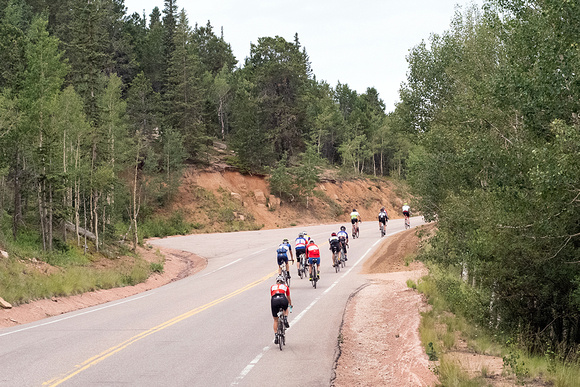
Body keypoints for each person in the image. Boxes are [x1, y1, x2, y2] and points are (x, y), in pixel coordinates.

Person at [270, 274, 292, 344]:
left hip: (274, 300)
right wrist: (290, 304)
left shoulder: (272, 287)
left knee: (275, 320)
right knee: (286, 308)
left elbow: (272, 295)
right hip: (282, 298)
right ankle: (285, 318)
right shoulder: (285, 287)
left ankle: (276, 335)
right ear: (283, 281)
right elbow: (288, 297)